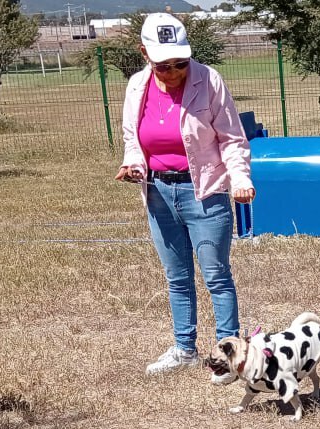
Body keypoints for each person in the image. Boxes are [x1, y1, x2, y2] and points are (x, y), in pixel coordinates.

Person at [116, 12, 255, 375]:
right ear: (144, 53)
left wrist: (239, 179)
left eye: (180, 62)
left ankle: (229, 352)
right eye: (164, 65)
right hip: (159, 192)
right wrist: (133, 164)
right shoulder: (136, 86)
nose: (174, 71)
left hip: (205, 192)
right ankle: (184, 349)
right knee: (177, 276)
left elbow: (232, 138)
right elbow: (133, 137)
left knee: (216, 275)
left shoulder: (208, 80)